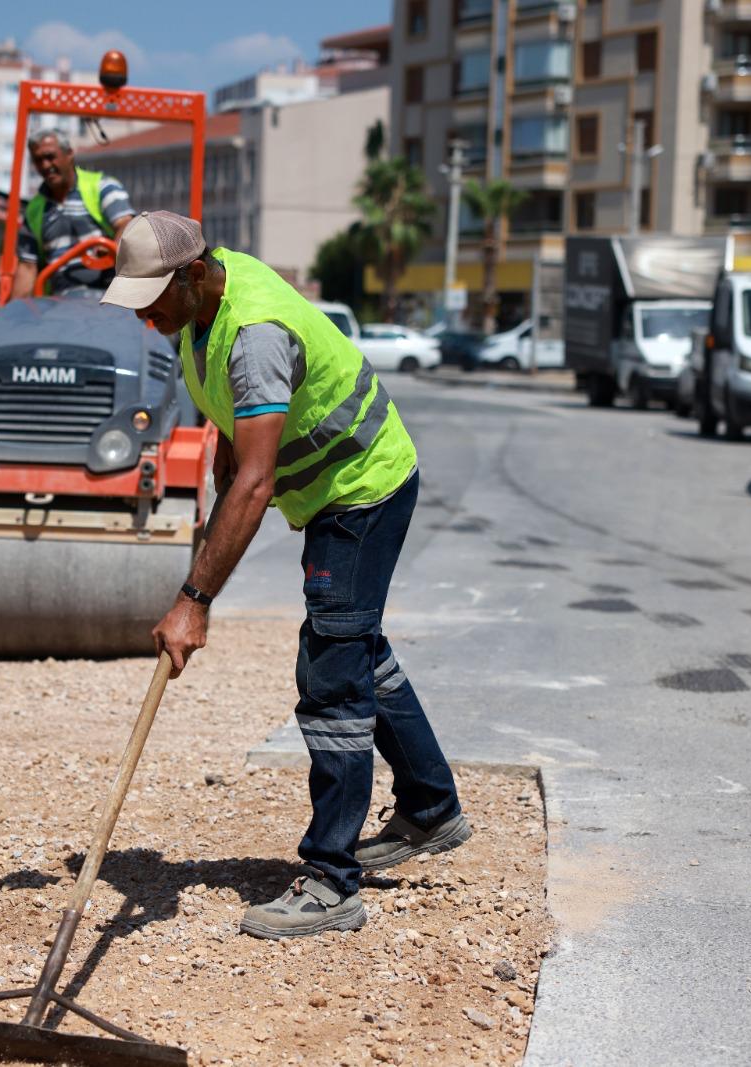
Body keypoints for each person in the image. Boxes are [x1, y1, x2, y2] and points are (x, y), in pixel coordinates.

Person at [100, 211, 472, 941]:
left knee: (331, 672)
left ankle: (333, 882)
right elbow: (238, 435)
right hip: (334, 489)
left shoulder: (257, 333)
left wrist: (194, 599)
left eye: (153, 299)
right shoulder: (200, 309)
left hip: (361, 487)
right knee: (355, 645)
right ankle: (431, 807)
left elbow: (257, 481)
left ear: (193, 274)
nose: (147, 316)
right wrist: (226, 458)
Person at [12, 131, 135, 298]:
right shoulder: (34, 210)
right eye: (38, 160)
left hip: (109, 294)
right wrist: (12, 317)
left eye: (50, 157)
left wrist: (112, 249)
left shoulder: (102, 187)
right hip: (62, 301)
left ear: (69, 153)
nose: (45, 165)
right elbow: (27, 268)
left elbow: (126, 224)